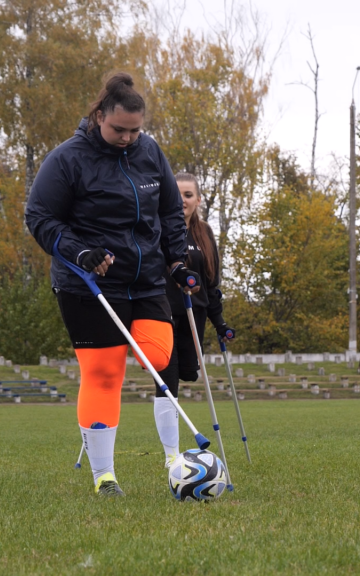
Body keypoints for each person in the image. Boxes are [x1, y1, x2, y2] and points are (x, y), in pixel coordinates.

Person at [25, 72, 197, 496]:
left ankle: (173, 456)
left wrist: (177, 260)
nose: (127, 138)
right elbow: (40, 218)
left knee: (159, 354)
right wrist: (80, 253)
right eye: (119, 129)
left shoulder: (150, 151)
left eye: (135, 130)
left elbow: (171, 213)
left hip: (146, 280)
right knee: (103, 374)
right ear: (99, 115)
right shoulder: (67, 159)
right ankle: (105, 476)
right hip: (87, 283)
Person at [153, 173, 234, 467]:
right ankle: (171, 456)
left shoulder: (205, 233)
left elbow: (212, 283)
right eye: (177, 195)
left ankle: (172, 450)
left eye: (188, 195)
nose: (182, 201)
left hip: (194, 314)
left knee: (188, 373)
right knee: (166, 380)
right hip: (160, 313)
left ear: (198, 200)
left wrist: (220, 323)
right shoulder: (155, 228)